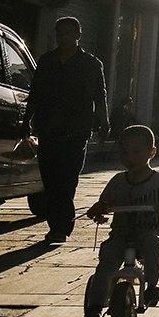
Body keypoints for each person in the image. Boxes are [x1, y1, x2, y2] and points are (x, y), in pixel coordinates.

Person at [81, 124, 159, 317]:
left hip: (150, 230)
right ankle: (96, 304)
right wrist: (100, 208)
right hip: (121, 233)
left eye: (136, 152)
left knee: (152, 246)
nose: (129, 158)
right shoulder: (118, 181)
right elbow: (105, 201)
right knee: (107, 260)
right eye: (124, 152)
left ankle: (151, 286)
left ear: (151, 152)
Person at [23, 16, 109, 244]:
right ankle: (56, 224)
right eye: (60, 33)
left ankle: (61, 227)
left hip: (76, 131)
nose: (64, 37)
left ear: (78, 35)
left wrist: (104, 122)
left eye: (69, 33)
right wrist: (27, 122)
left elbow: (100, 96)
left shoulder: (91, 64)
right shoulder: (47, 61)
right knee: (50, 179)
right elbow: (35, 94)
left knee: (67, 178)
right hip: (48, 129)